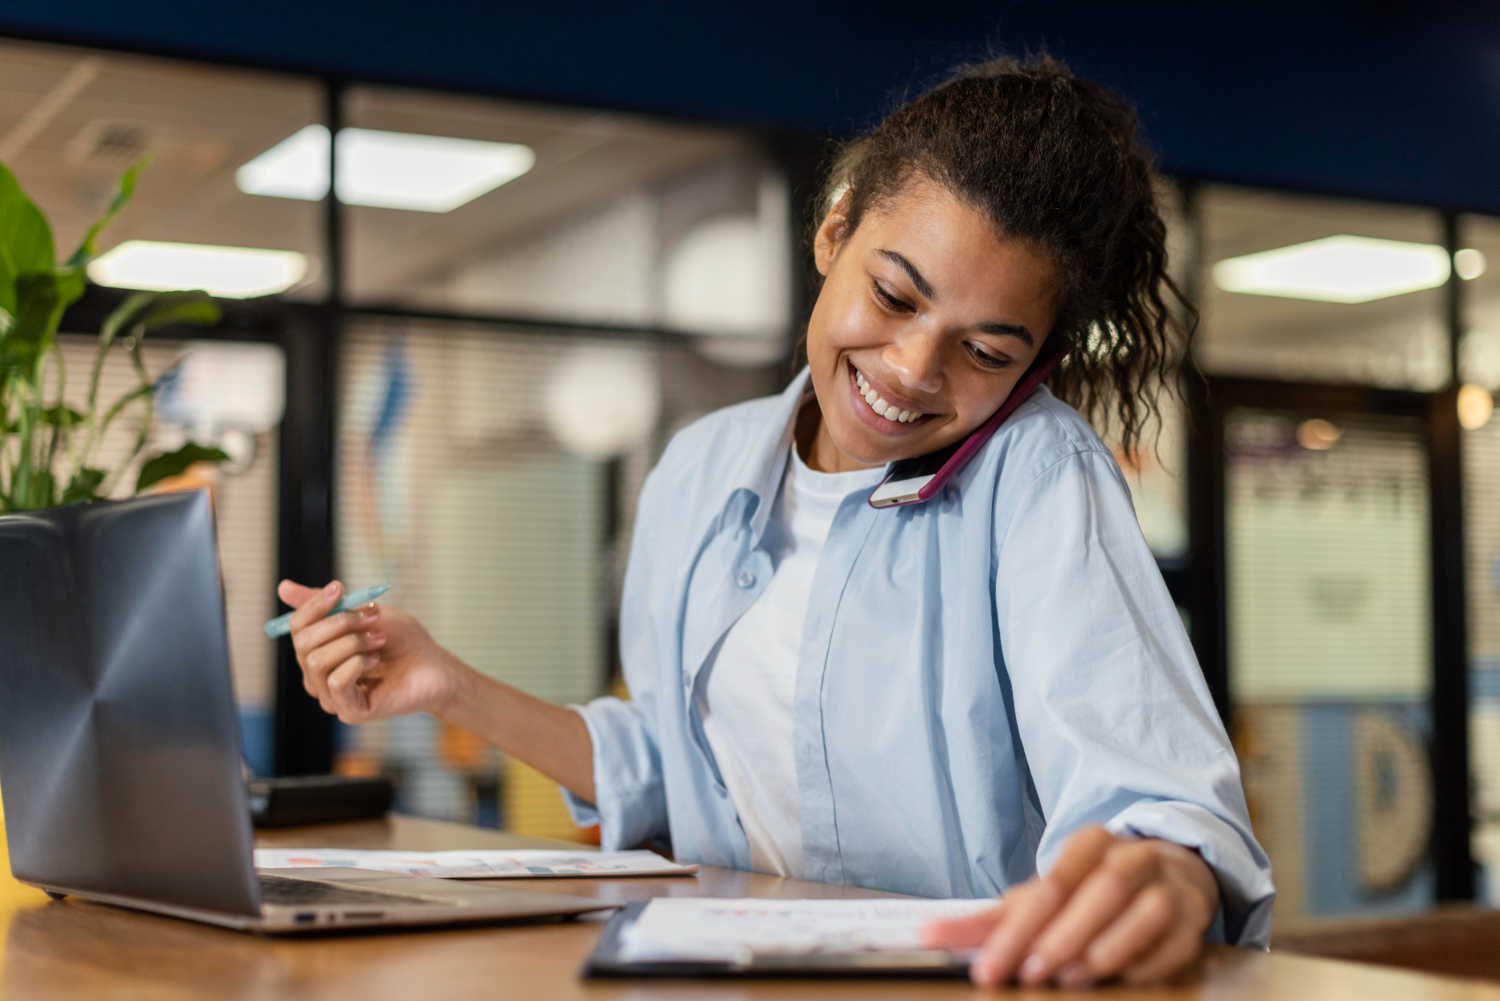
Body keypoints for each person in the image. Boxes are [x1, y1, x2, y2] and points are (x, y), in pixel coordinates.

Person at [280, 55, 1273, 988]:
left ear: (1037, 365)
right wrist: (448, 685)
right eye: (894, 295)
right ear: (833, 233)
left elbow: (1154, 795)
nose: (914, 369)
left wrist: (1169, 870)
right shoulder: (701, 467)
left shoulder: (1038, 475)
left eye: (985, 350)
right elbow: (671, 766)